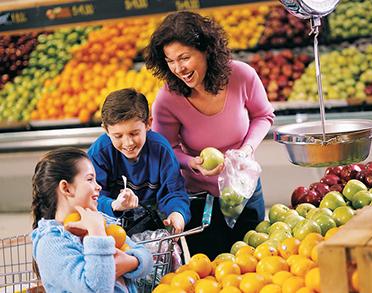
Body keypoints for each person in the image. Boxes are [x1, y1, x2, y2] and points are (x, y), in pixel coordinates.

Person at [144, 11, 275, 259]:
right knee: (211, 268)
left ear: (206, 50)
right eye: (170, 61)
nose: (178, 68)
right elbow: (165, 149)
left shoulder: (241, 75)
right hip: (200, 199)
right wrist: (192, 163)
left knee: (258, 263)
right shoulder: (167, 99)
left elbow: (263, 116)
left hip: (244, 188)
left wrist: (246, 150)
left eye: (184, 57)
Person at [31, 147, 152, 292]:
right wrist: (96, 231)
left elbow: (147, 257)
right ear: (66, 188)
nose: (99, 186)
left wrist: (132, 262)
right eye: (90, 179)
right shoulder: (51, 243)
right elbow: (95, 289)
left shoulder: (101, 223)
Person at [87, 88, 191, 235]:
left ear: (148, 123)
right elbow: (89, 196)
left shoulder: (161, 150)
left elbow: (173, 192)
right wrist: (114, 205)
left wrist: (177, 213)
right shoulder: (99, 153)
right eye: (118, 136)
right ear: (106, 130)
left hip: (153, 231)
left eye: (134, 133)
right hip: (109, 232)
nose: (128, 143)